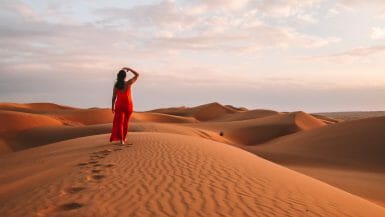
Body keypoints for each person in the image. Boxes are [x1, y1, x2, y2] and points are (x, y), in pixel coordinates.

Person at [110, 67, 139, 144]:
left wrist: (112, 107)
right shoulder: (128, 83)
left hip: (119, 105)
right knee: (125, 122)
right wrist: (129, 69)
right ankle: (124, 138)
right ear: (125, 76)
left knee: (120, 123)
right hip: (128, 105)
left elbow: (114, 97)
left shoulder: (116, 86)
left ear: (118, 76)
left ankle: (121, 140)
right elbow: (137, 74)